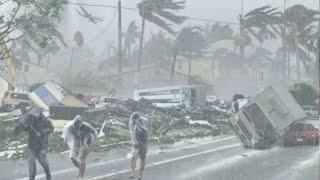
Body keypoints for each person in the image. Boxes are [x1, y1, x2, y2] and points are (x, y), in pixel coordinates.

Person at [12, 107, 54, 180]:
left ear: (40, 114)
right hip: (31, 144)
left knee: (43, 162)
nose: (35, 117)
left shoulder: (45, 120)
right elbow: (25, 128)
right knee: (31, 161)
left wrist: (42, 132)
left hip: (41, 145)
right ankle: (32, 177)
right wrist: (24, 128)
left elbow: (51, 128)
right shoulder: (30, 120)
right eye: (34, 116)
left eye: (36, 115)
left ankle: (48, 173)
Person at [61, 115, 98, 180]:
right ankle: (81, 169)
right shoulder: (71, 127)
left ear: (81, 123)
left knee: (81, 158)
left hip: (86, 141)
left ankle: (81, 176)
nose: (77, 126)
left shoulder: (86, 126)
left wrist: (95, 142)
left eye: (79, 124)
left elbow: (94, 132)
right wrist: (64, 142)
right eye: (76, 124)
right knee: (73, 158)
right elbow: (66, 135)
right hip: (77, 142)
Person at [128, 112, 149, 180]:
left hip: (143, 141)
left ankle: (140, 175)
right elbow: (131, 133)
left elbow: (146, 131)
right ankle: (133, 174)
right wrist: (134, 142)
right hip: (136, 142)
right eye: (132, 120)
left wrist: (138, 124)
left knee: (142, 158)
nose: (133, 121)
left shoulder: (145, 121)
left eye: (134, 120)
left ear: (138, 118)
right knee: (132, 158)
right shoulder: (131, 122)